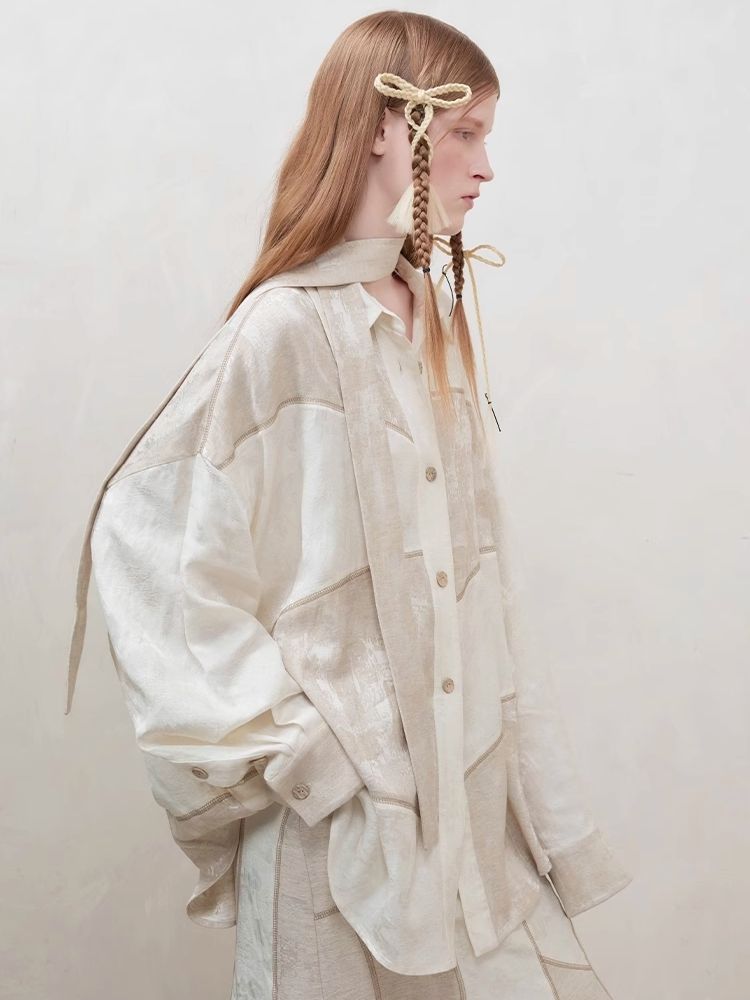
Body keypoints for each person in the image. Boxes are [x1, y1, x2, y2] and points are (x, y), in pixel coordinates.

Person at [64, 11, 633, 999]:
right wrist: (310, 756)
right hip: (329, 839)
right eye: (466, 132)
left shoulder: (430, 320)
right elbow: (147, 543)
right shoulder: (282, 331)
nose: (487, 168)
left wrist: (542, 812)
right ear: (384, 128)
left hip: (450, 826)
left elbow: (486, 588)